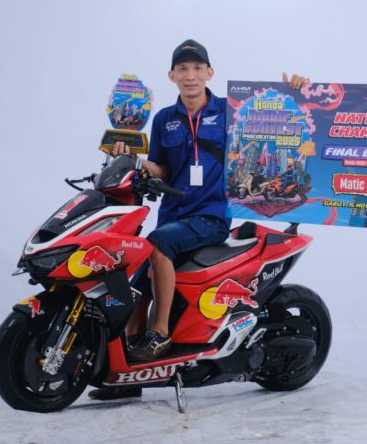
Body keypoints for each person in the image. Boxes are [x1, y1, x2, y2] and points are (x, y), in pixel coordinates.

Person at [89, 39, 309, 399]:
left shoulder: (232, 111)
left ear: (209, 73)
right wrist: (134, 161)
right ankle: (129, 375)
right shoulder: (164, 119)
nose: (190, 75)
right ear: (171, 75)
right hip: (173, 216)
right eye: (182, 68)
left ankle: (160, 334)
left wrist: (296, 93)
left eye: (196, 68)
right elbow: (163, 168)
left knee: (157, 245)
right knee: (134, 286)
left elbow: (278, 122)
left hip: (211, 216)